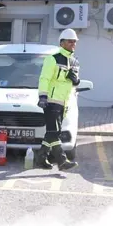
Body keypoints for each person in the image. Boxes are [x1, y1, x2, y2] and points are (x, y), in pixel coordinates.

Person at [37, 28, 80, 171]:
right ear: (62, 43)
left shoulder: (74, 61)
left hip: (64, 103)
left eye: (74, 41)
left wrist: (76, 80)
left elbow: (75, 82)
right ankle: (61, 161)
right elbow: (44, 78)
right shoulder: (52, 59)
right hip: (51, 101)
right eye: (70, 41)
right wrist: (42, 96)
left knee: (52, 132)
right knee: (54, 132)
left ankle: (41, 158)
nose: (73, 44)